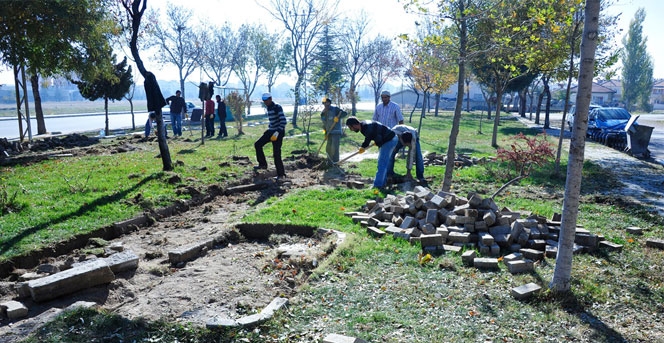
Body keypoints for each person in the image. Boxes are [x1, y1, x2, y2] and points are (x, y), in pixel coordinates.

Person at [345, 116, 398, 189]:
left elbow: (369, 138)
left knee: (382, 163)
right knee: (382, 162)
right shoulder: (364, 126)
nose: (351, 130)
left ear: (354, 125)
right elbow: (371, 136)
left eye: (350, 128)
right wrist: (364, 146)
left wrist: (365, 146)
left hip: (390, 140)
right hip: (388, 139)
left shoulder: (366, 127)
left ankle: (378, 185)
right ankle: (383, 182)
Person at [254, 92, 287, 180]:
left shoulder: (277, 107)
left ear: (270, 99)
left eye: (266, 100)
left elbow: (283, 121)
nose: (265, 102)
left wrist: (278, 131)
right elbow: (273, 121)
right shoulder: (268, 107)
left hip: (278, 132)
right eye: (263, 101)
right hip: (271, 131)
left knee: (276, 154)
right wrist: (270, 129)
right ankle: (263, 164)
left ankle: (281, 175)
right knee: (258, 144)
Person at [320, 96, 347, 163]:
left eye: (327, 103)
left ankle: (335, 161)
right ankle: (329, 160)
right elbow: (324, 124)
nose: (326, 104)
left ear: (329, 103)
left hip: (336, 132)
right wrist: (325, 133)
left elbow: (344, 113)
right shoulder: (323, 113)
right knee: (328, 148)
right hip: (329, 132)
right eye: (324, 103)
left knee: (334, 147)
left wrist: (338, 117)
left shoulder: (335, 109)